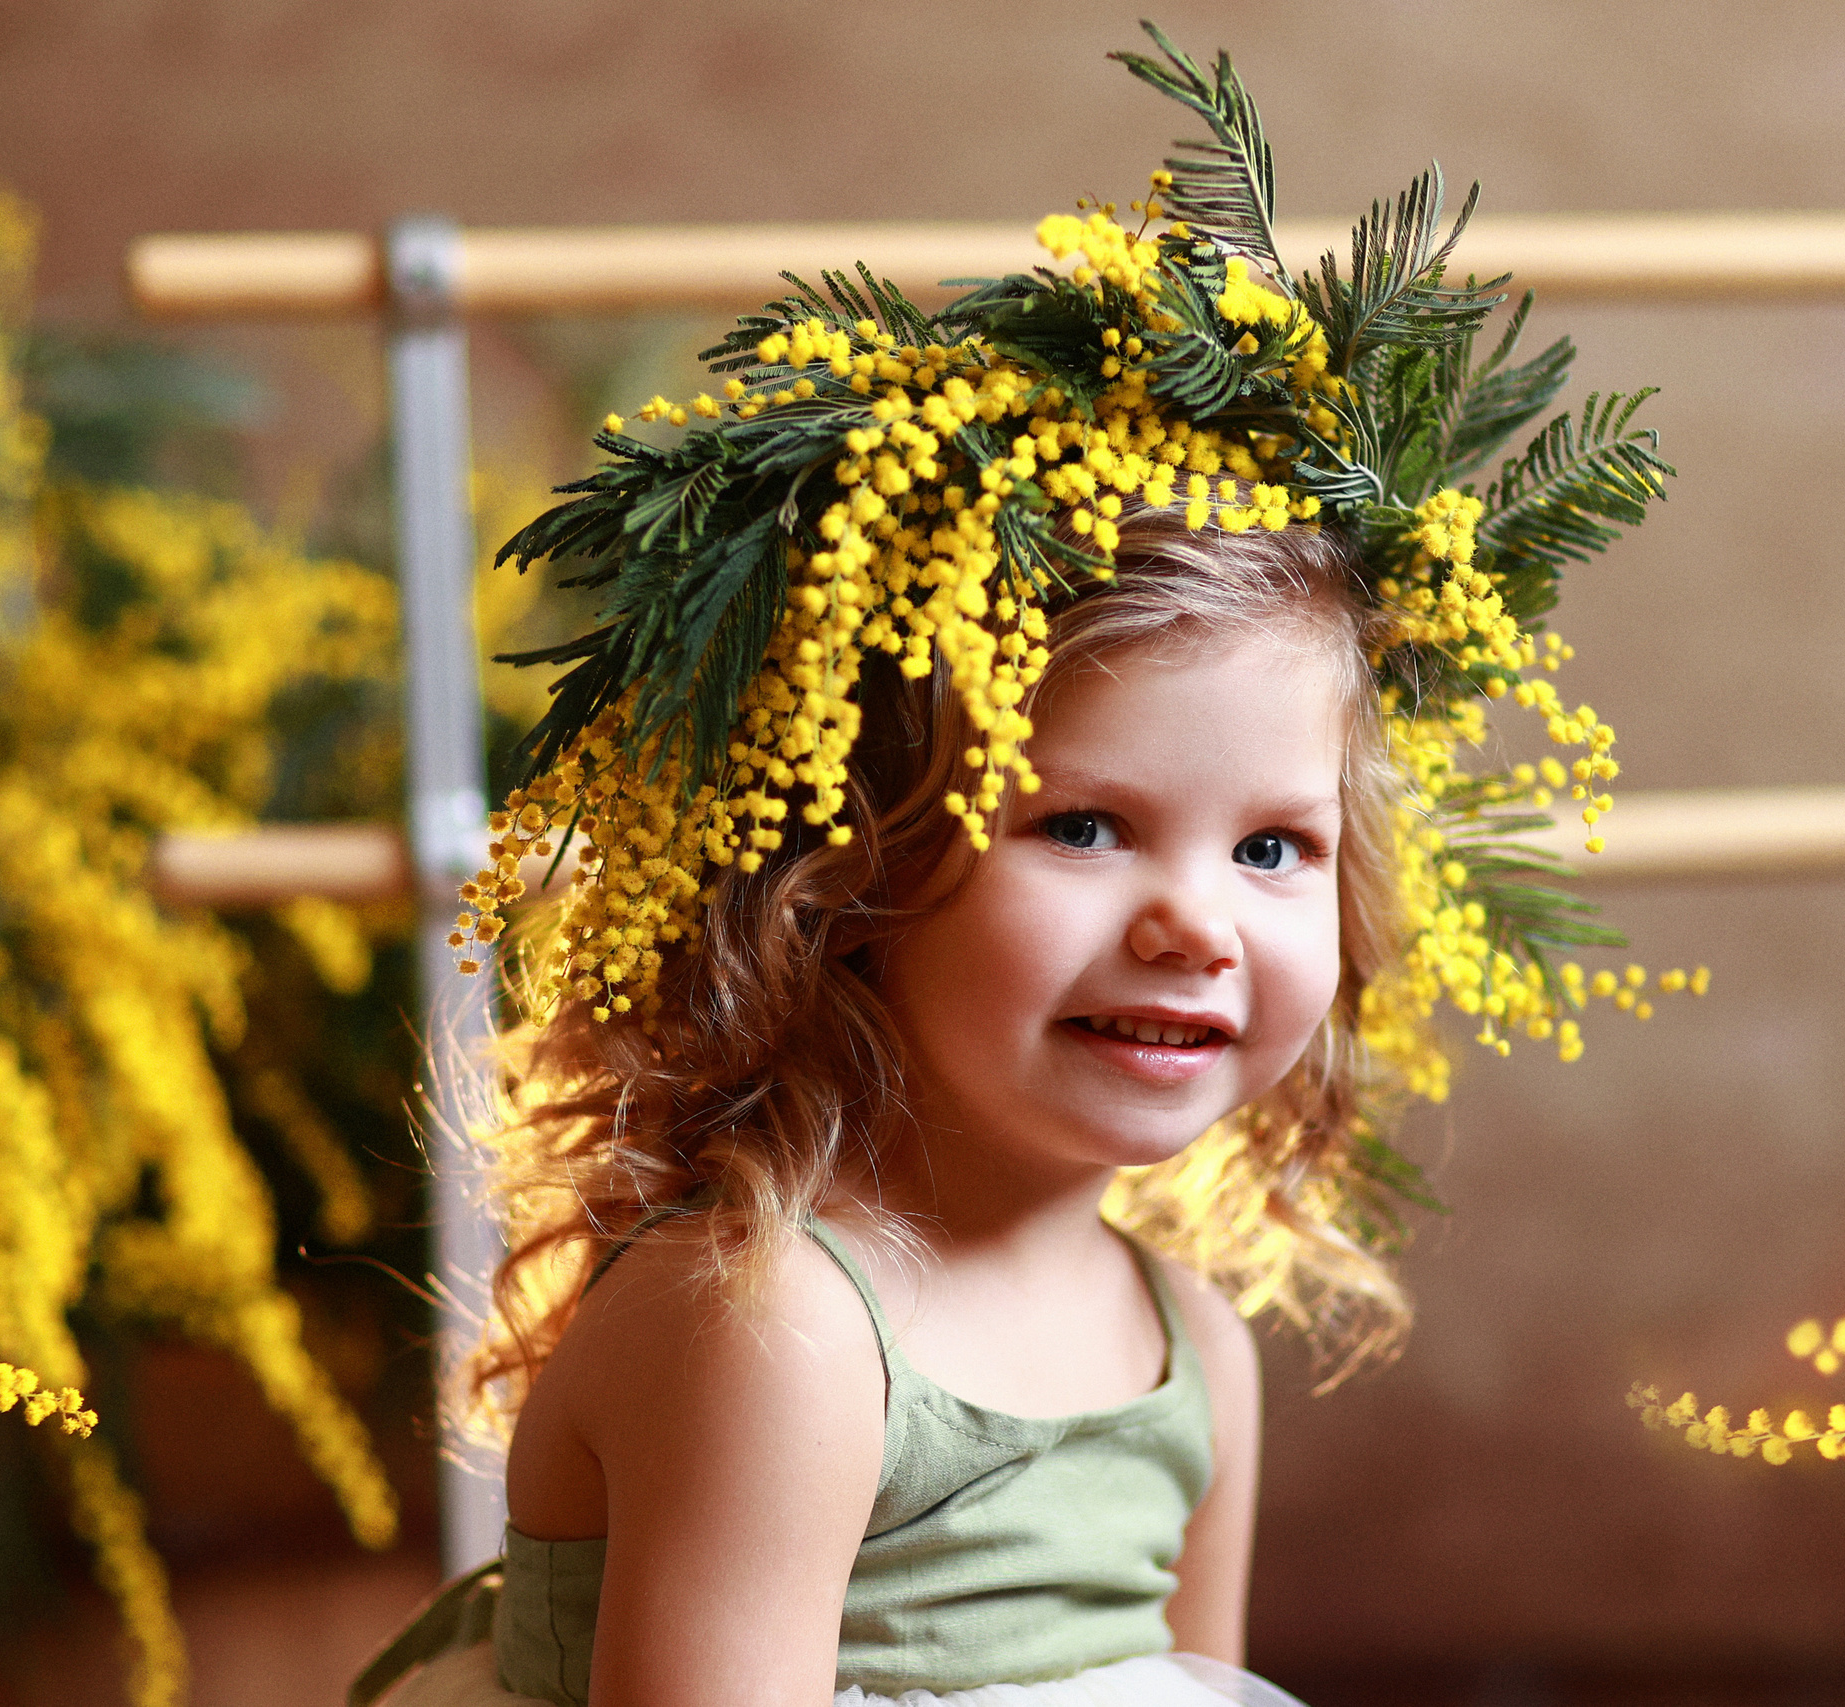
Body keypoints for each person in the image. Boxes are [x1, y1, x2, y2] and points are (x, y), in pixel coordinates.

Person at [357, 26, 1686, 1707]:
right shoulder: (780, 1328)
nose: (1194, 921)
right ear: (838, 880)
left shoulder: (1186, 1344)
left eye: (1273, 846)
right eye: (1079, 824)